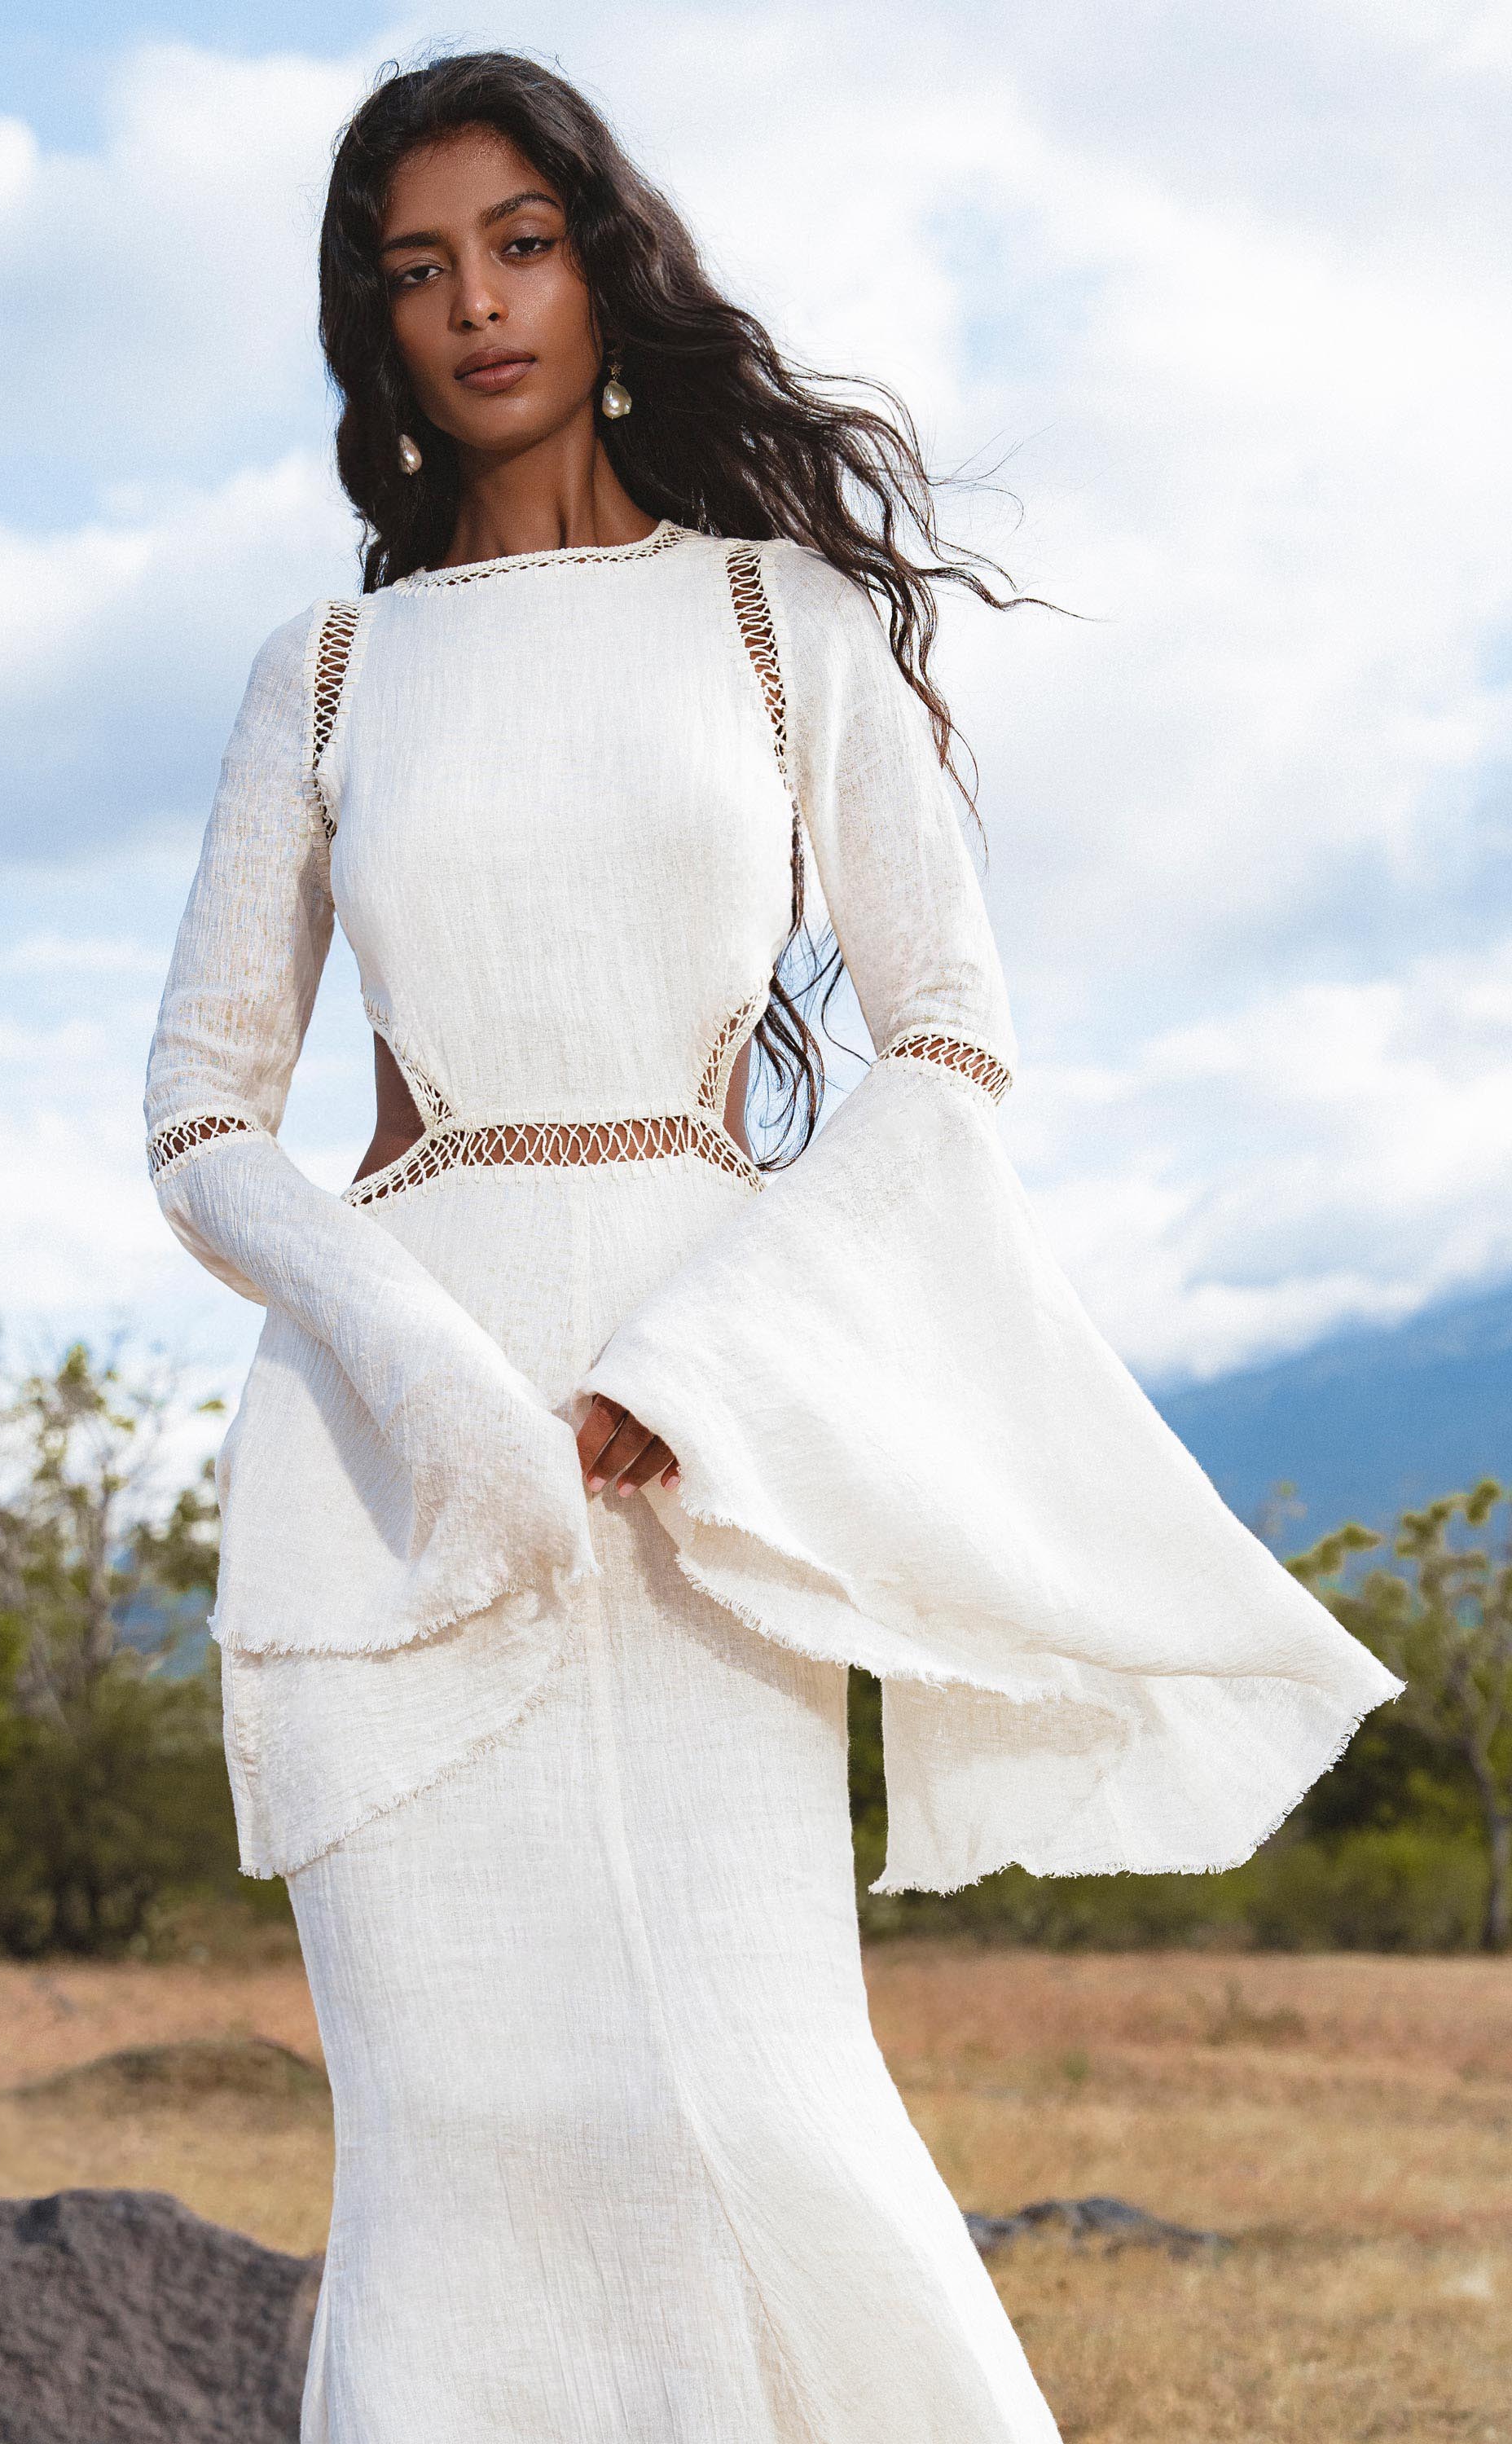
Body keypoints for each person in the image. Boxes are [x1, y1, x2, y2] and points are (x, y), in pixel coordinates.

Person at [143, 50, 1400, 2444]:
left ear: (603, 265)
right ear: (373, 326)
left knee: (753, 2086)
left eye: (519, 241)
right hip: (385, 1472)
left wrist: (701, 1367)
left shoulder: (775, 619)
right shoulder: (320, 673)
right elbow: (205, 1114)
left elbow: (946, 1046)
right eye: (419, 269)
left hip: (710, 1443)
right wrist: (411, 1363)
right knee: (455, 2136)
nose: (477, 304)